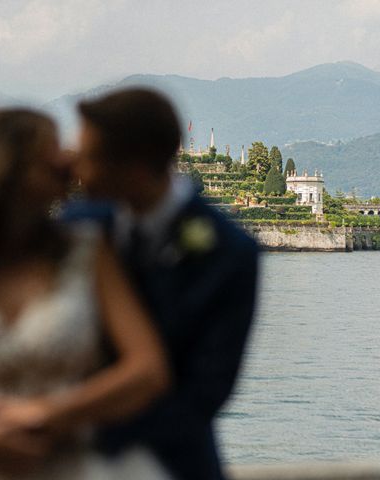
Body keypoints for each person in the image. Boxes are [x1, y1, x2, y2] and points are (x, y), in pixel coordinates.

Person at [0, 108, 174, 479]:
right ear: (10, 171)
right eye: (50, 149)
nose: (66, 159)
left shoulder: (90, 253)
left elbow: (147, 370)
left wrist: (50, 413)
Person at [63, 88, 260, 480]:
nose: (76, 169)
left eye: (89, 157)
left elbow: (205, 392)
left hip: (173, 466)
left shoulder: (229, 253)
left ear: (134, 167)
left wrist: (72, 429)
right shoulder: (76, 224)